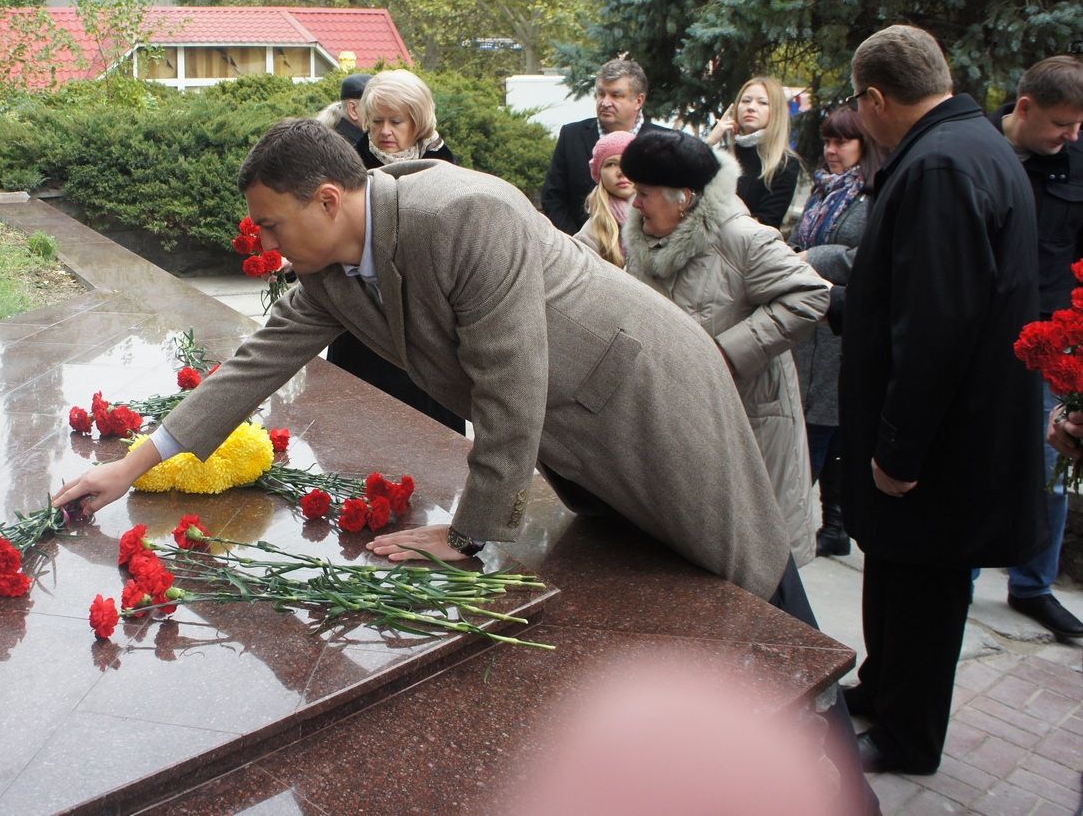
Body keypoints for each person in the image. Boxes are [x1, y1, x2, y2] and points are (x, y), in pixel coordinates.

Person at [53, 118, 877, 813]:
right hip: (580, 434)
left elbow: (510, 383)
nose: (263, 242)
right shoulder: (333, 271)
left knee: (752, 583)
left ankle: (841, 782)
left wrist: (468, 533)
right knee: (680, 584)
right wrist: (130, 468)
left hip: (653, 402)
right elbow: (253, 365)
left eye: (271, 224)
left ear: (329, 200)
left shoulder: (463, 215)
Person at [838, 24, 1048, 776]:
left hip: (940, 440)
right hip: (949, 428)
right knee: (897, 570)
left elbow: (937, 321)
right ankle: (882, 688)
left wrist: (899, 448)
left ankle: (908, 735)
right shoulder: (967, 147)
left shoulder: (940, 164)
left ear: (874, 98)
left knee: (925, 586)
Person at [620, 131, 828, 566]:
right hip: (681, 420)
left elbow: (809, 295)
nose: (635, 204)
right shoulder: (643, 238)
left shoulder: (742, 238)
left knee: (761, 565)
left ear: (684, 198)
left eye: (644, 193)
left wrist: (724, 355)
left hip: (749, 419)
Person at [986, 54, 1083, 640]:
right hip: (987, 332)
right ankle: (960, 571)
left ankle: (1033, 585)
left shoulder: (1078, 162)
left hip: (1053, 339)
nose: (1071, 136)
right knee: (977, 459)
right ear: (1024, 108)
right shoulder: (979, 151)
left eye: (1078, 126)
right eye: (1061, 124)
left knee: (1051, 469)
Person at [326, 70, 463, 433]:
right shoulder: (346, 167)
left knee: (431, 435)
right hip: (363, 323)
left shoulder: (444, 166)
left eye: (396, 121)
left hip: (426, 326)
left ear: (418, 121)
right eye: (377, 121)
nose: (385, 131)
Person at [790, 106, 876, 558]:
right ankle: (832, 525)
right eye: (827, 141)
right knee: (819, 426)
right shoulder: (825, 190)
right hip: (809, 326)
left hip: (843, 326)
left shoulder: (873, 192)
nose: (831, 150)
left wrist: (815, 258)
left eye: (842, 141)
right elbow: (801, 242)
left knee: (822, 429)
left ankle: (799, 527)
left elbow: (870, 256)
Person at [541, 58, 672, 235]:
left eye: (616, 95)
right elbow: (553, 198)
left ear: (638, 101)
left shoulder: (664, 142)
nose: (605, 102)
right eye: (601, 94)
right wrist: (578, 244)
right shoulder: (571, 136)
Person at [706, 76, 802, 229]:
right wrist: (709, 142)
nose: (751, 107)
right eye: (745, 101)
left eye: (762, 103)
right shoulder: (722, 153)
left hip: (743, 242)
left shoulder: (784, 163)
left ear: (776, 112)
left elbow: (766, 223)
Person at [575, 129, 636, 268]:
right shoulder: (590, 236)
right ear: (599, 173)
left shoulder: (662, 219)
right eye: (611, 164)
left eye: (629, 162)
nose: (621, 172)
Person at [315, 73, 372, 148]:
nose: (382, 113)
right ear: (353, 110)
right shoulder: (356, 148)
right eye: (373, 106)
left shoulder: (328, 138)